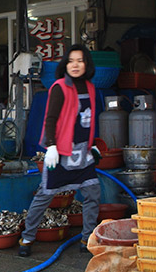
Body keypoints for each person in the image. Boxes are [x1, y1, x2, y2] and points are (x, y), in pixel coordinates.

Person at [19, 44, 101, 257]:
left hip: (83, 154)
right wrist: (52, 146)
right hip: (61, 153)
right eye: (71, 60)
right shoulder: (59, 87)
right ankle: (27, 238)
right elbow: (51, 119)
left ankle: (87, 238)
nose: (75, 65)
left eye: (80, 61)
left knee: (93, 192)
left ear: (87, 64)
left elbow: (89, 120)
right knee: (45, 195)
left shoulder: (91, 88)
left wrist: (92, 144)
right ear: (65, 64)